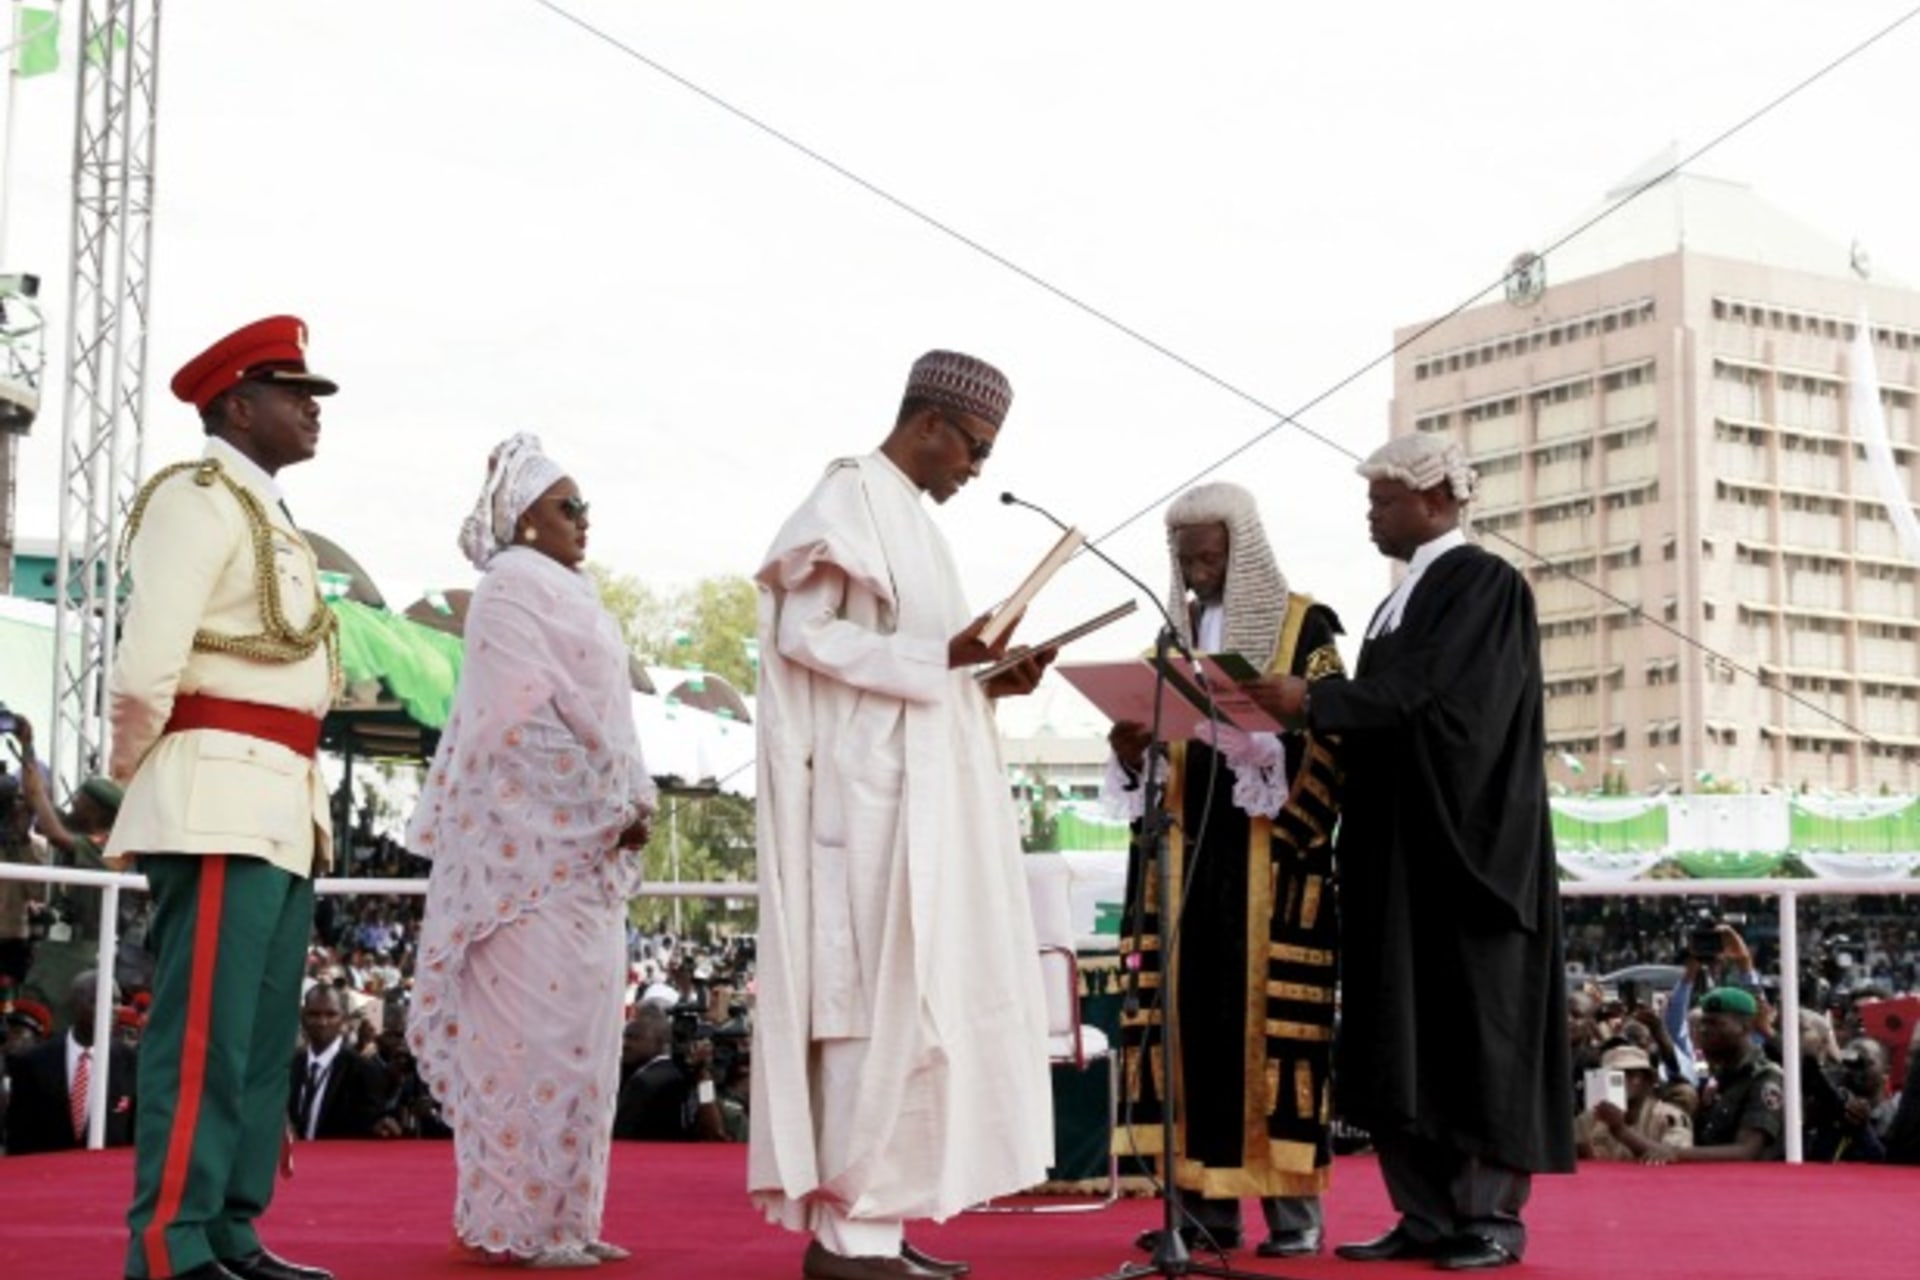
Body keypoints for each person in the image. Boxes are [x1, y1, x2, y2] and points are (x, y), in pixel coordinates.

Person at [750, 350, 1054, 1280]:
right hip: (867, 810)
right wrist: (940, 656)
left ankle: (882, 1221)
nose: (975, 468)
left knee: (920, 1014)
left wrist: (986, 677)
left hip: (923, 809)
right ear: (930, 423)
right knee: (871, 1014)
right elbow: (806, 633)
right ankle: (849, 1237)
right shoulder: (847, 496)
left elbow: (923, 663)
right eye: (974, 448)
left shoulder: (917, 527)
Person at [1250, 432, 1572, 1272]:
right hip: (1400, 850)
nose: (1371, 514)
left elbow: (1444, 701)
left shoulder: (1483, 582)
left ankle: (1488, 1219)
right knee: (1400, 1030)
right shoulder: (1403, 599)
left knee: (1472, 1030)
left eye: (1383, 500)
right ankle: (1425, 1214)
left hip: (1465, 855)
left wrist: (1318, 699)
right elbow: (1393, 705)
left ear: (1436, 501)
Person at [107, 315, 342, 1280]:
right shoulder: (194, 501)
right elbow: (143, 669)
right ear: (238, 406)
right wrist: (137, 780)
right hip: (210, 792)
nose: (312, 411)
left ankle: (232, 1230)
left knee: (252, 1044)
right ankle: (171, 1244)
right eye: (296, 395)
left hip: (281, 802)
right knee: (200, 1035)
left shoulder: (268, 513)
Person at [406, 433, 655, 1268]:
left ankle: (570, 1222)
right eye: (567, 506)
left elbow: (609, 722)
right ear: (523, 520)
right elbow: (515, 722)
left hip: (586, 864)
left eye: (586, 506)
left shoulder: (575, 591)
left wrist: (630, 799)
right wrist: (600, 805)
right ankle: (516, 1226)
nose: (585, 520)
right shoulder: (510, 588)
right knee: (526, 1047)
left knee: (588, 1050)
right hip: (526, 863)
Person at [1101, 481, 1343, 1259]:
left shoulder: (1307, 628)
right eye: (1186, 559)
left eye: (1211, 556)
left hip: (1267, 873)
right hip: (1184, 870)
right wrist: (1129, 753)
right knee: (1189, 1036)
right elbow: (1151, 770)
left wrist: (1269, 743)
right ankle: (1205, 1212)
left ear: (1243, 552)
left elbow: (1340, 736)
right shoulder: (1164, 644)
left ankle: (1292, 1220)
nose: (1199, 572)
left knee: (1269, 1039)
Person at [1, 968, 137, 1154]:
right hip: (48, 1174)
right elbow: (19, 1134)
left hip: (107, 1176)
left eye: (116, 1001)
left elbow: (135, 1132)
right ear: (75, 1004)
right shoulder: (34, 1062)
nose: (111, 1009)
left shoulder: (131, 1063)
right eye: (98, 1000)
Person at [288, 984, 399, 1140]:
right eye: (314, 1014)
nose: (322, 1022)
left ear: (344, 1019)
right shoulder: (289, 1067)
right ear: (303, 1017)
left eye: (331, 1015)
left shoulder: (364, 1071)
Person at [1573, 1045, 1692, 1162]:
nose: (1625, 1081)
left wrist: (1620, 1129)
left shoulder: (1670, 1117)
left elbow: (1675, 1155)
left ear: (1648, 1081)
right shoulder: (1590, 1118)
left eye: (1632, 1075)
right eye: (1615, 1076)